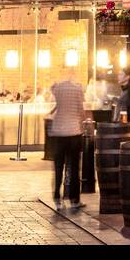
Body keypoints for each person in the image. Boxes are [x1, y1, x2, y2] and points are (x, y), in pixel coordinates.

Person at [47, 69, 86, 210]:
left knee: (58, 167)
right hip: (74, 132)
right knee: (74, 168)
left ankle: (57, 198)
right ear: (72, 75)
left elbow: (54, 103)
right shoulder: (78, 89)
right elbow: (81, 111)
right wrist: (82, 122)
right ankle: (75, 200)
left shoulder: (57, 89)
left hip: (59, 133)